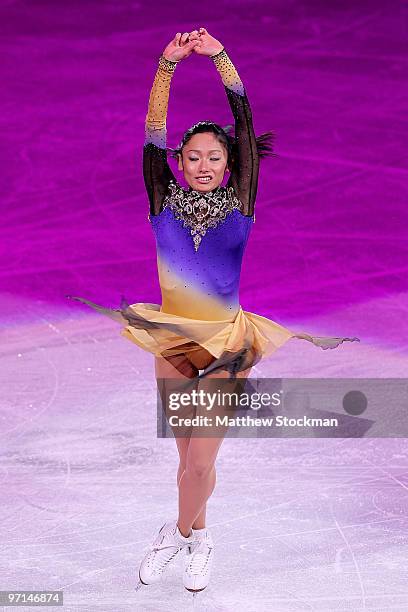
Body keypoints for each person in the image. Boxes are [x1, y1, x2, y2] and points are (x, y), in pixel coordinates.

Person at [66, 27, 360, 596]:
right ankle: (199, 537)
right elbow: (151, 134)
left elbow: (246, 125)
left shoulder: (243, 201)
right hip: (172, 340)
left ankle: (176, 534)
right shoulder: (161, 202)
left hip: (229, 342)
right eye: (193, 156)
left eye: (215, 156)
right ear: (179, 162)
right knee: (185, 463)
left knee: (200, 463)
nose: (203, 163)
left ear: (229, 163)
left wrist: (221, 57)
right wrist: (167, 66)